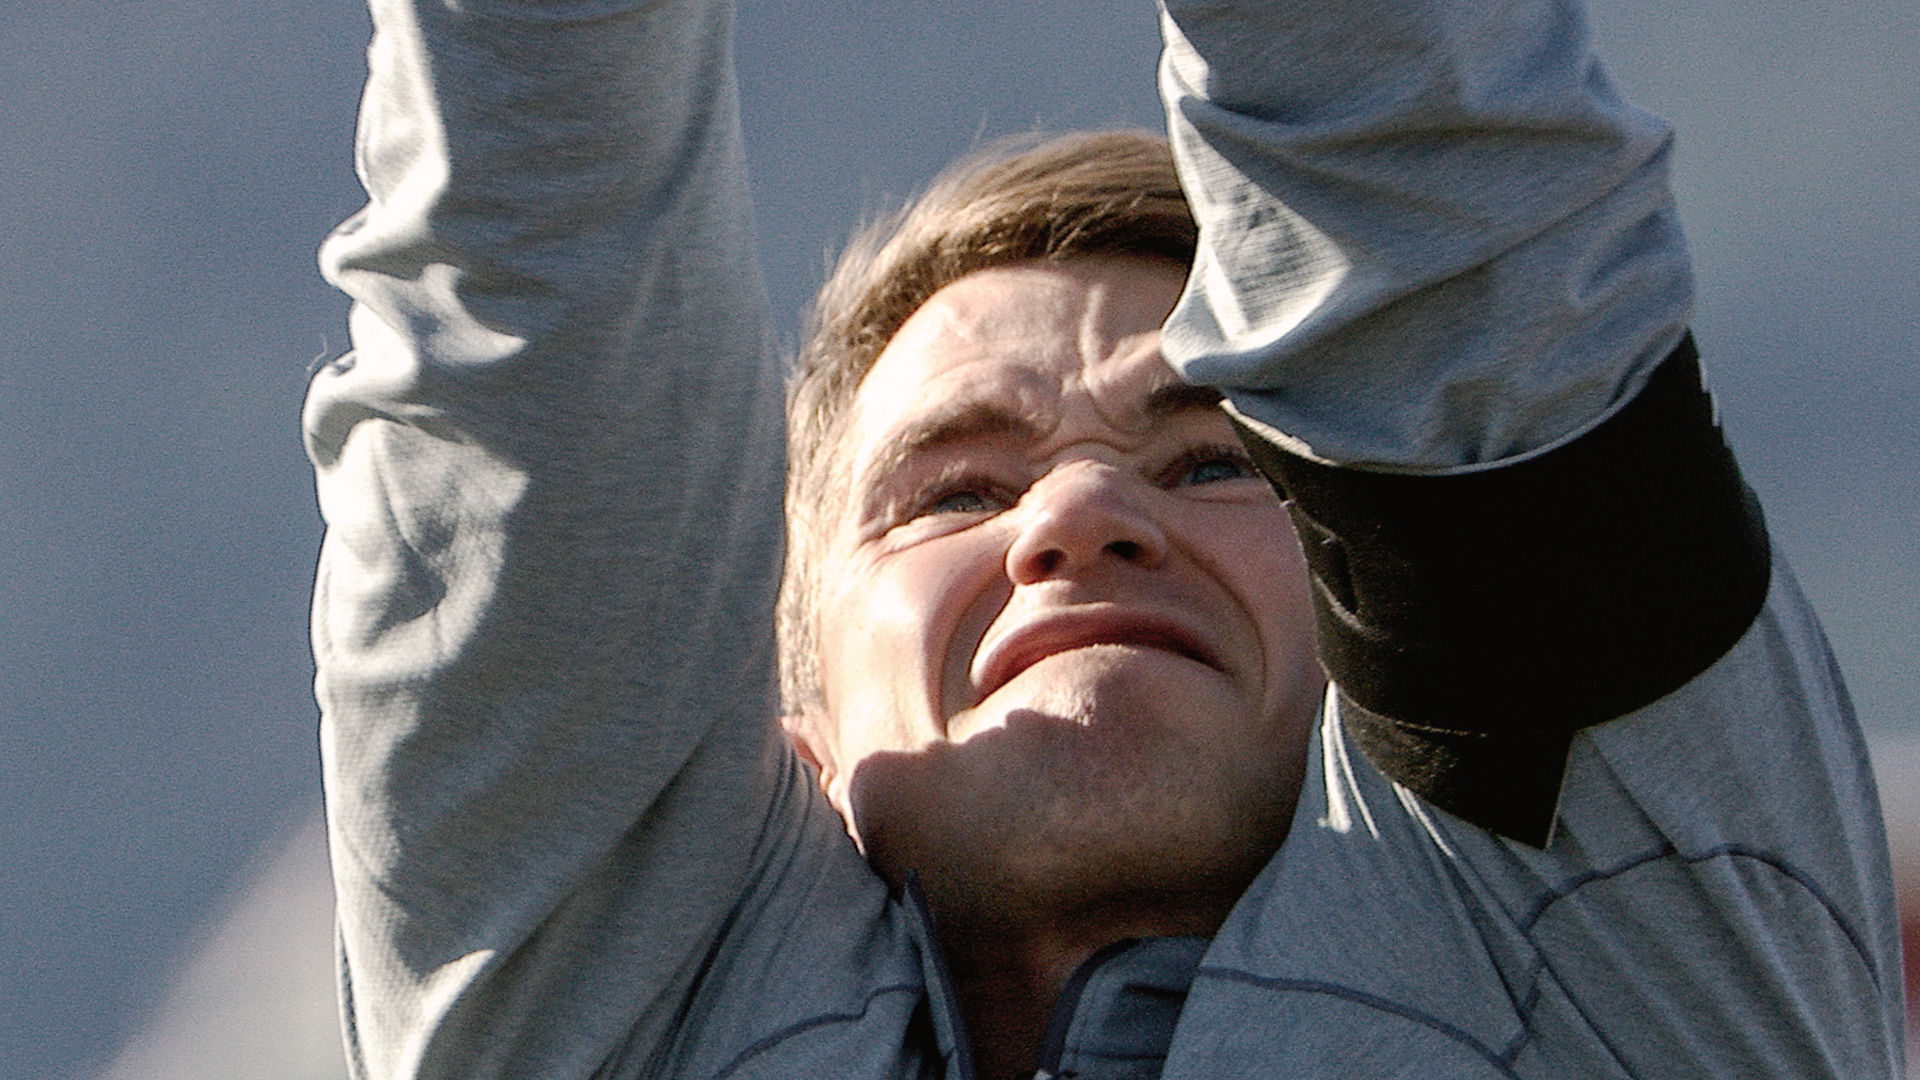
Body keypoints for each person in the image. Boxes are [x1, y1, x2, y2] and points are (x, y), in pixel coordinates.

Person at [305, 0, 1905, 1078]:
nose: (1076, 518)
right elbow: (529, 283)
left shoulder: (1638, 955)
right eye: (954, 492)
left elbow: (1416, 156)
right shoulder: (610, 1020)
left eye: (1209, 465)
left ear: (1384, 633)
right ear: (799, 744)